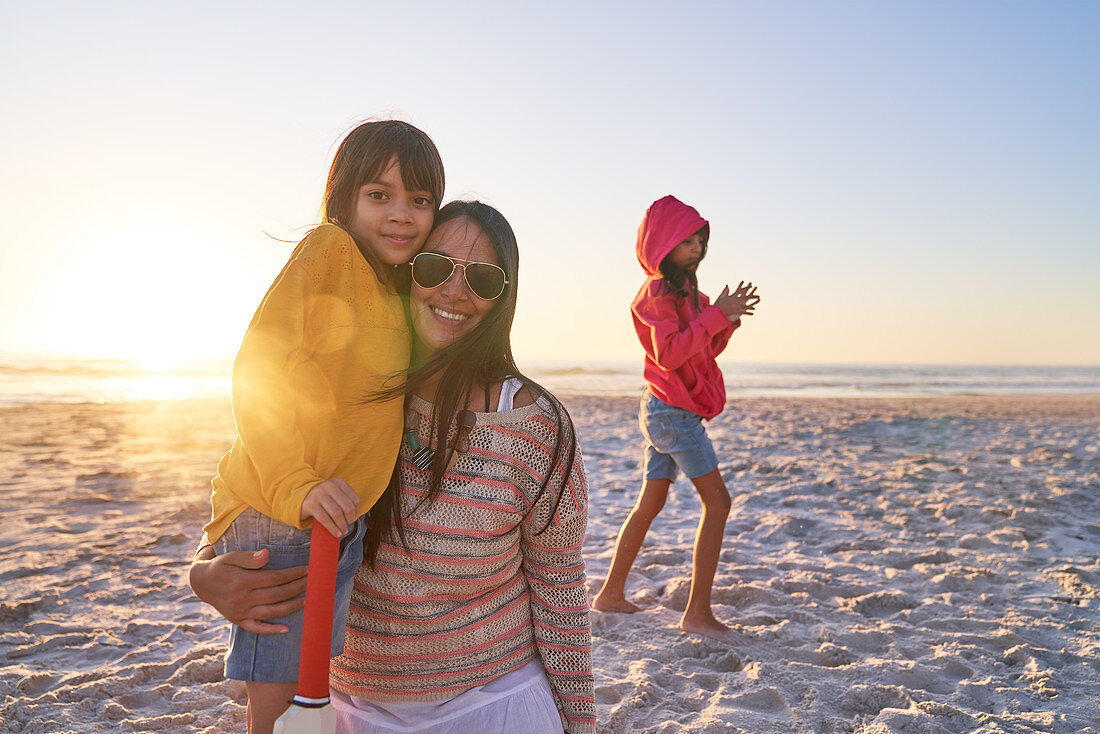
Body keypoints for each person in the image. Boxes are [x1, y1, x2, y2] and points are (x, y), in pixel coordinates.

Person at [191, 201, 596, 734]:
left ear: (505, 297)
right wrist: (204, 572)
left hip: (494, 702)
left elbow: (558, 583)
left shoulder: (535, 425)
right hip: (347, 708)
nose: (454, 291)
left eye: (483, 278)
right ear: (407, 272)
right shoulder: (347, 399)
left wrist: (581, 724)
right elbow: (252, 475)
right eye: (434, 268)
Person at [197, 119, 445, 733]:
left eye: (419, 200)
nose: (401, 215)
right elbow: (261, 367)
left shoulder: (394, 287)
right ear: (344, 199)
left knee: (312, 688)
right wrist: (298, 483)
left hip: (333, 519)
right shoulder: (330, 251)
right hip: (286, 511)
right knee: (280, 707)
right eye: (379, 195)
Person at [592, 194, 759, 645]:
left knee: (652, 502)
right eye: (686, 240)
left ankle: (609, 593)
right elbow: (669, 354)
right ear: (662, 245)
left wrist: (726, 320)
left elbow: (702, 351)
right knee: (718, 504)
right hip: (671, 412)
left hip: (666, 408)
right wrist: (713, 317)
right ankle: (698, 614)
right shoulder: (653, 295)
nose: (696, 247)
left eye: (699, 240)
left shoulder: (690, 294)